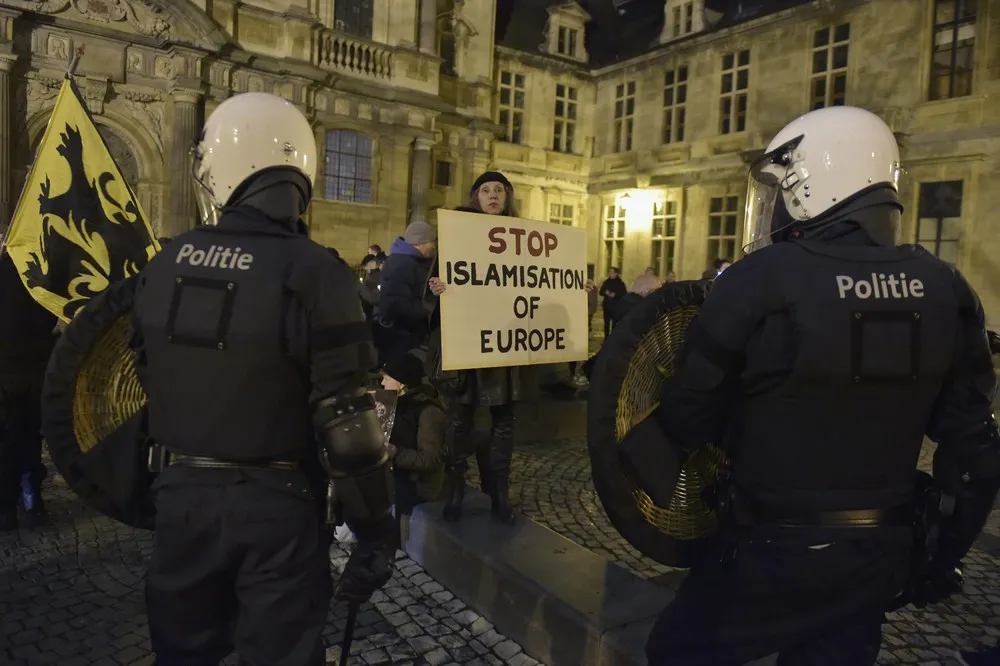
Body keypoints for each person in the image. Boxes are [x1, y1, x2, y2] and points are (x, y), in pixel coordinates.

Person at [645, 106, 999, 665]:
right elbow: (975, 453)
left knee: (674, 652)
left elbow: (687, 413)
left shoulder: (758, 280)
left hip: (766, 551)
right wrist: (939, 555)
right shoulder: (947, 287)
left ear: (810, 182)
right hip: (876, 556)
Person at [131, 92, 395, 665]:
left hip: (181, 500)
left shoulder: (164, 261)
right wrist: (376, 530)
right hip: (278, 508)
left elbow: (139, 382)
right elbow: (347, 417)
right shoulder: (317, 271)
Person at [429, 172, 531, 525]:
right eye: (485, 190)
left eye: (498, 190)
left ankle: (499, 494)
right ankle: (456, 489)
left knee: (504, 422)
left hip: (504, 346)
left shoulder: (522, 238)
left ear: (507, 197)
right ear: (475, 197)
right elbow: (430, 289)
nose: (492, 195)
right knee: (459, 421)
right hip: (467, 342)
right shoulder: (457, 233)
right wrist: (437, 288)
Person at [0, 253, 57, 531]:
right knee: (30, 437)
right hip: (36, 372)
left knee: (6, 440)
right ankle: (32, 498)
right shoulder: (39, 279)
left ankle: (5, 509)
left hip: (7, 373)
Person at [380, 351, 447, 547]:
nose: (382, 384)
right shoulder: (397, 405)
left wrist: (395, 452)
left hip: (418, 484)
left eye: (386, 379)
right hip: (399, 474)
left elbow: (431, 459)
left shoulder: (428, 412)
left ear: (401, 383)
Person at [373, 221, 438, 364]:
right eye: (430, 242)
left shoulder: (412, 261)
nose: (433, 246)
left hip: (409, 332)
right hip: (403, 334)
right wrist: (427, 308)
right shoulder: (402, 263)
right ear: (420, 242)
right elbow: (397, 303)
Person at [599, 267, 626, 337]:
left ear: (616, 273)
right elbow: (601, 292)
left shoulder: (620, 283)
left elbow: (624, 294)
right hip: (607, 306)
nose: (610, 273)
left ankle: (613, 339)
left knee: (615, 324)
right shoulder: (606, 282)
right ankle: (606, 338)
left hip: (616, 307)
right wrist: (606, 293)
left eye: (612, 272)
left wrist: (615, 295)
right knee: (606, 324)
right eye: (609, 272)